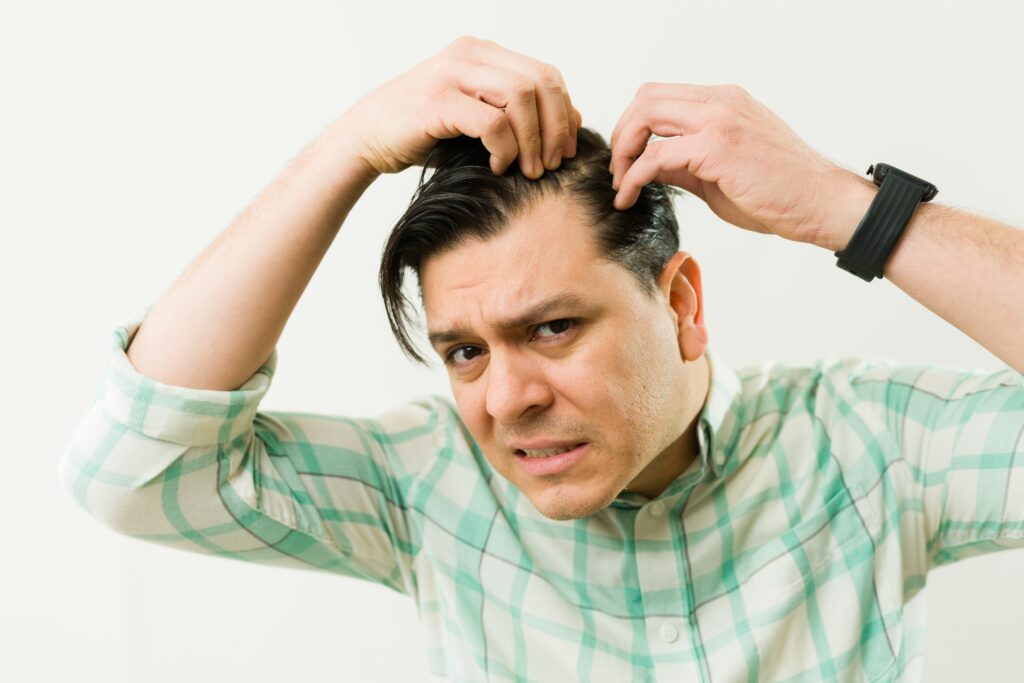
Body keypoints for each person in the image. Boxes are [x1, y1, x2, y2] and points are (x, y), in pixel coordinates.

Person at [59, 36, 1024, 682]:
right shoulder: (425, 483)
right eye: (466, 350)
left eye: (553, 327)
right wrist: (348, 146)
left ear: (680, 301)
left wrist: (846, 207)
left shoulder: (867, 447)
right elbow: (138, 471)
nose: (508, 398)